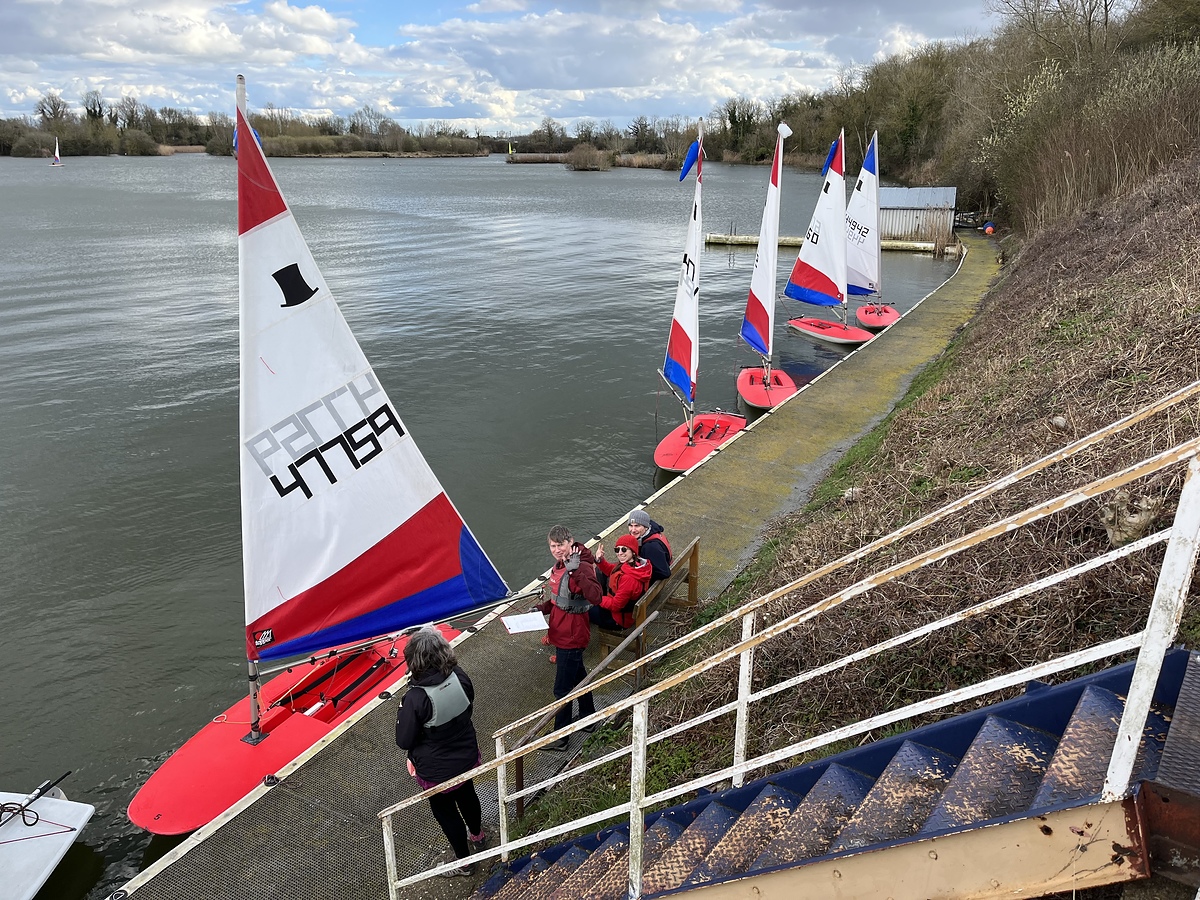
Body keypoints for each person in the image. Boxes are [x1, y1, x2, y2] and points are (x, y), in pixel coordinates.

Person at [394, 627, 487, 877]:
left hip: (436, 770)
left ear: (414, 661)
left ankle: (464, 862)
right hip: (466, 754)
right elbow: (468, 704)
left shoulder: (415, 697)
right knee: (468, 794)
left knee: (446, 813)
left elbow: (404, 740)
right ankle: (478, 835)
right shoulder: (460, 676)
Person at [534, 524, 602, 751]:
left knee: (562, 691)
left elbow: (596, 596)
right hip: (562, 632)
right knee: (580, 678)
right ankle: (588, 717)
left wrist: (575, 571)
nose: (556, 550)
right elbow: (559, 598)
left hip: (571, 637)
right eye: (553, 546)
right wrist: (542, 608)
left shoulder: (580, 565)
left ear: (570, 542)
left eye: (560, 545)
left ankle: (560, 738)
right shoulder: (562, 564)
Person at [590, 533, 653, 630]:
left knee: (582, 609)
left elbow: (615, 606)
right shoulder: (635, 565)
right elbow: (612, 570)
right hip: (624, 613)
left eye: (624, 549)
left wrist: (597, 599)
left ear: (633, 552)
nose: (620, 553)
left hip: (618, 620)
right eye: (617, 549)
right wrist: (599, 560)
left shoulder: (629, 578)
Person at [628, 509, 672, 583]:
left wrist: (638, 573)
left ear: (646, 527)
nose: (633, 530)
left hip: (651, 584)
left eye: (637, 526)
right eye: (630, 525)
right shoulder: (653, 531)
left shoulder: (650, 547)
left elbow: (664, 573)